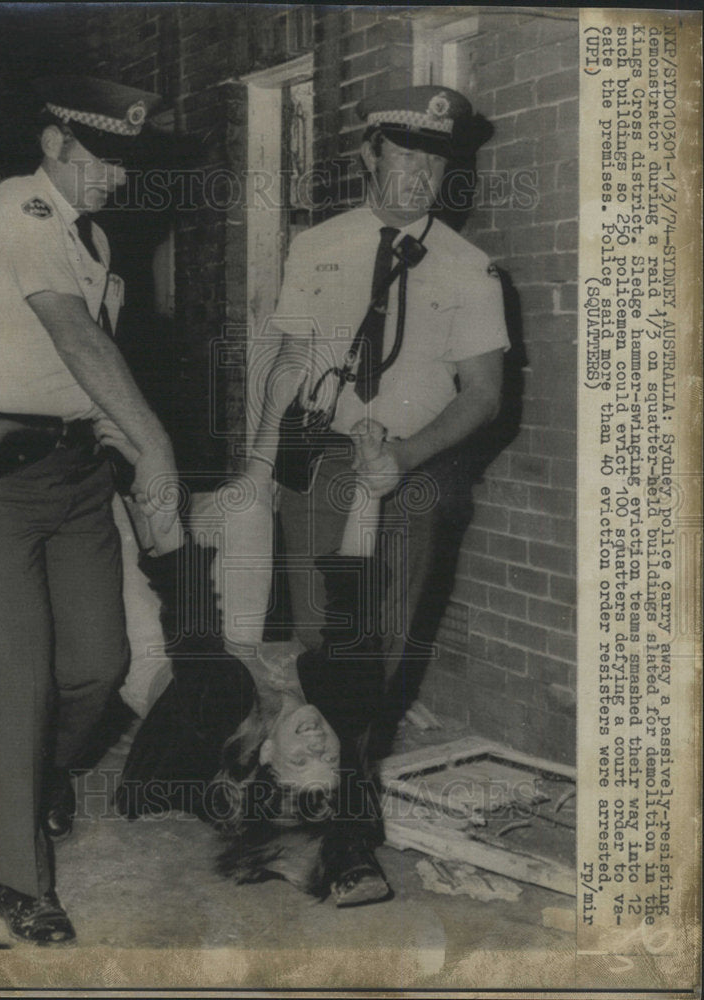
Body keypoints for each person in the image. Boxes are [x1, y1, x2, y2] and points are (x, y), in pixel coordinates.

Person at [0, 76, 179, 945]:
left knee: (99, 664)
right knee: (22, 675)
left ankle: (40, 778)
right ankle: (21, 885)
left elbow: (92, 370)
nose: (115, 175)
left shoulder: (96, 237)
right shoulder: (21, 208)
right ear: (54, 143)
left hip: (78, 473)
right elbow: (74, 336)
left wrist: (131, 461)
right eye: (101, 159)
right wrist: (159, 449)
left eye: (125, 162)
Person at [263, 84, 510, 701]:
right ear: (370, 154)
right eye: (407, 154)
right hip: (320, 460)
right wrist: (260, 465)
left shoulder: (469, 266)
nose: (423, 174)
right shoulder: (316, 245)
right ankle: (316, 763)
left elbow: (483, 395)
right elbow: (292, 361)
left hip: (413, 467)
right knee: (318, 628)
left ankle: (356, 773)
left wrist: (403, 459)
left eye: (436, 161)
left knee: (387, 636)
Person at [111, 420, 393, 907]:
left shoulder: (224, 710)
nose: (317, 742)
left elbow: (191, 624)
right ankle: (271, 414)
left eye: (301, 758)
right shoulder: (343, 712)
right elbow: (356, 608)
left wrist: (162, 524)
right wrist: (369, 490)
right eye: (327, 758)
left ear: (266, 756)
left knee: (119, 513)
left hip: (162, 665)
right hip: (240, 655)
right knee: (250, 496)